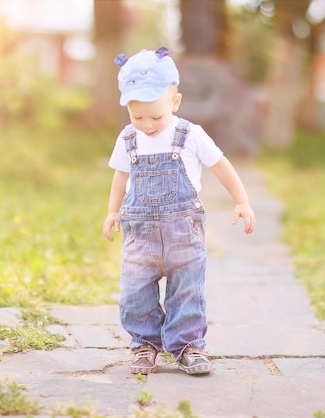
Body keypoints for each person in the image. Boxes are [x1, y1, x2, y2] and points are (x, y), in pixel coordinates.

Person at [102, 46, 256, 376]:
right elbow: (120, 176)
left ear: (175, 101)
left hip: (183, 235)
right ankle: (144, 343)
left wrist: (241, 200)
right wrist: (113, 211)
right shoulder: (128, 138)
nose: (146, 125)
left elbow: (221, 166)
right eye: (137, 116)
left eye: (155, 116)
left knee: (187, 291)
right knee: (134, 293)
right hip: (140, 237)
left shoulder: (190, 135)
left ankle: (187, 345)